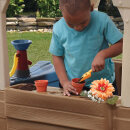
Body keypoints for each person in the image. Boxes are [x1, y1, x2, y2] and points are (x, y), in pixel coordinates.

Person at [49, 0, 123, 96]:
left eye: (83, 23)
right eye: (71, 24)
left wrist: (102, 54)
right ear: (61, 10)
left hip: (103, 84)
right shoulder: (58, 29)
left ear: (91, 8)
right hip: (72, 85)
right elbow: (57, 57)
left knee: (105, 111)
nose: (77, 28)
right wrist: (64, 82)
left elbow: (121, 44)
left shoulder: (102, 20)